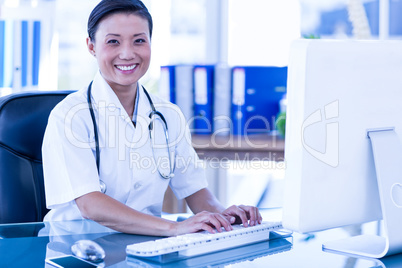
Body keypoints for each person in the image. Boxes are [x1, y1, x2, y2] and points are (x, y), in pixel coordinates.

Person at [42, 0, 262, 236]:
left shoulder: (168, 115)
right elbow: (90, 205)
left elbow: (196, 191)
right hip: (76, 249)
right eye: (113, 41)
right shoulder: (69, 116)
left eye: (139, 40)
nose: (127, 54)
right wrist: (174, 228)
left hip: (143, 248)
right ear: (91, 46)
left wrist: (226, 216)